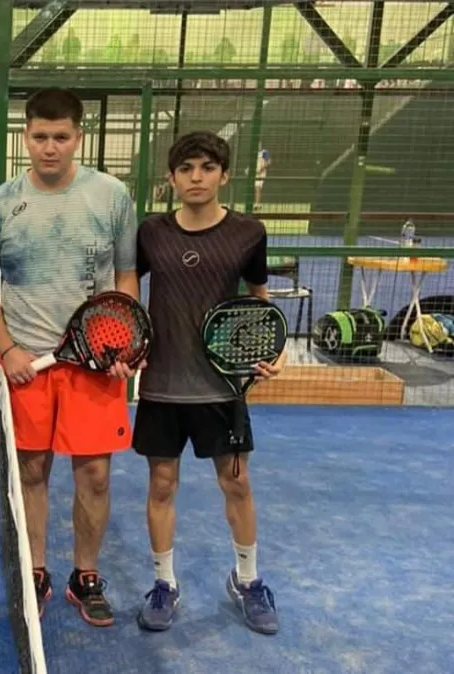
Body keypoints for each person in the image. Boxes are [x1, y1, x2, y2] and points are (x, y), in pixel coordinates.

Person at [0, 88, 140, 627]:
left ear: (78, 137)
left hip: (95, 367)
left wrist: (123, 342)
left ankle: (84, 576)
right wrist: (7, 348)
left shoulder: (112, 197)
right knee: (32, 471)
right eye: (40, 136)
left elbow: (126, 276)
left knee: (94, 476)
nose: (50, 147)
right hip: (27, 367)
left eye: (61, 137)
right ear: (26, 136)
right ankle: (35, 571)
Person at [132, 131, 283, 635]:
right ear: (171, 178)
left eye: (206, 167)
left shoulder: (247, 232)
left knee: (236, 483)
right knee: (161, 483)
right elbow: (129, 291)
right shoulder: (151, 233)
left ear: (223, 174)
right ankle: (164, 584)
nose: (196, 177)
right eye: (186, 169)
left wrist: (268, 351)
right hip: (161, 386)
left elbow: (261, 298)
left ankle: (247, 578)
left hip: (222, 388)